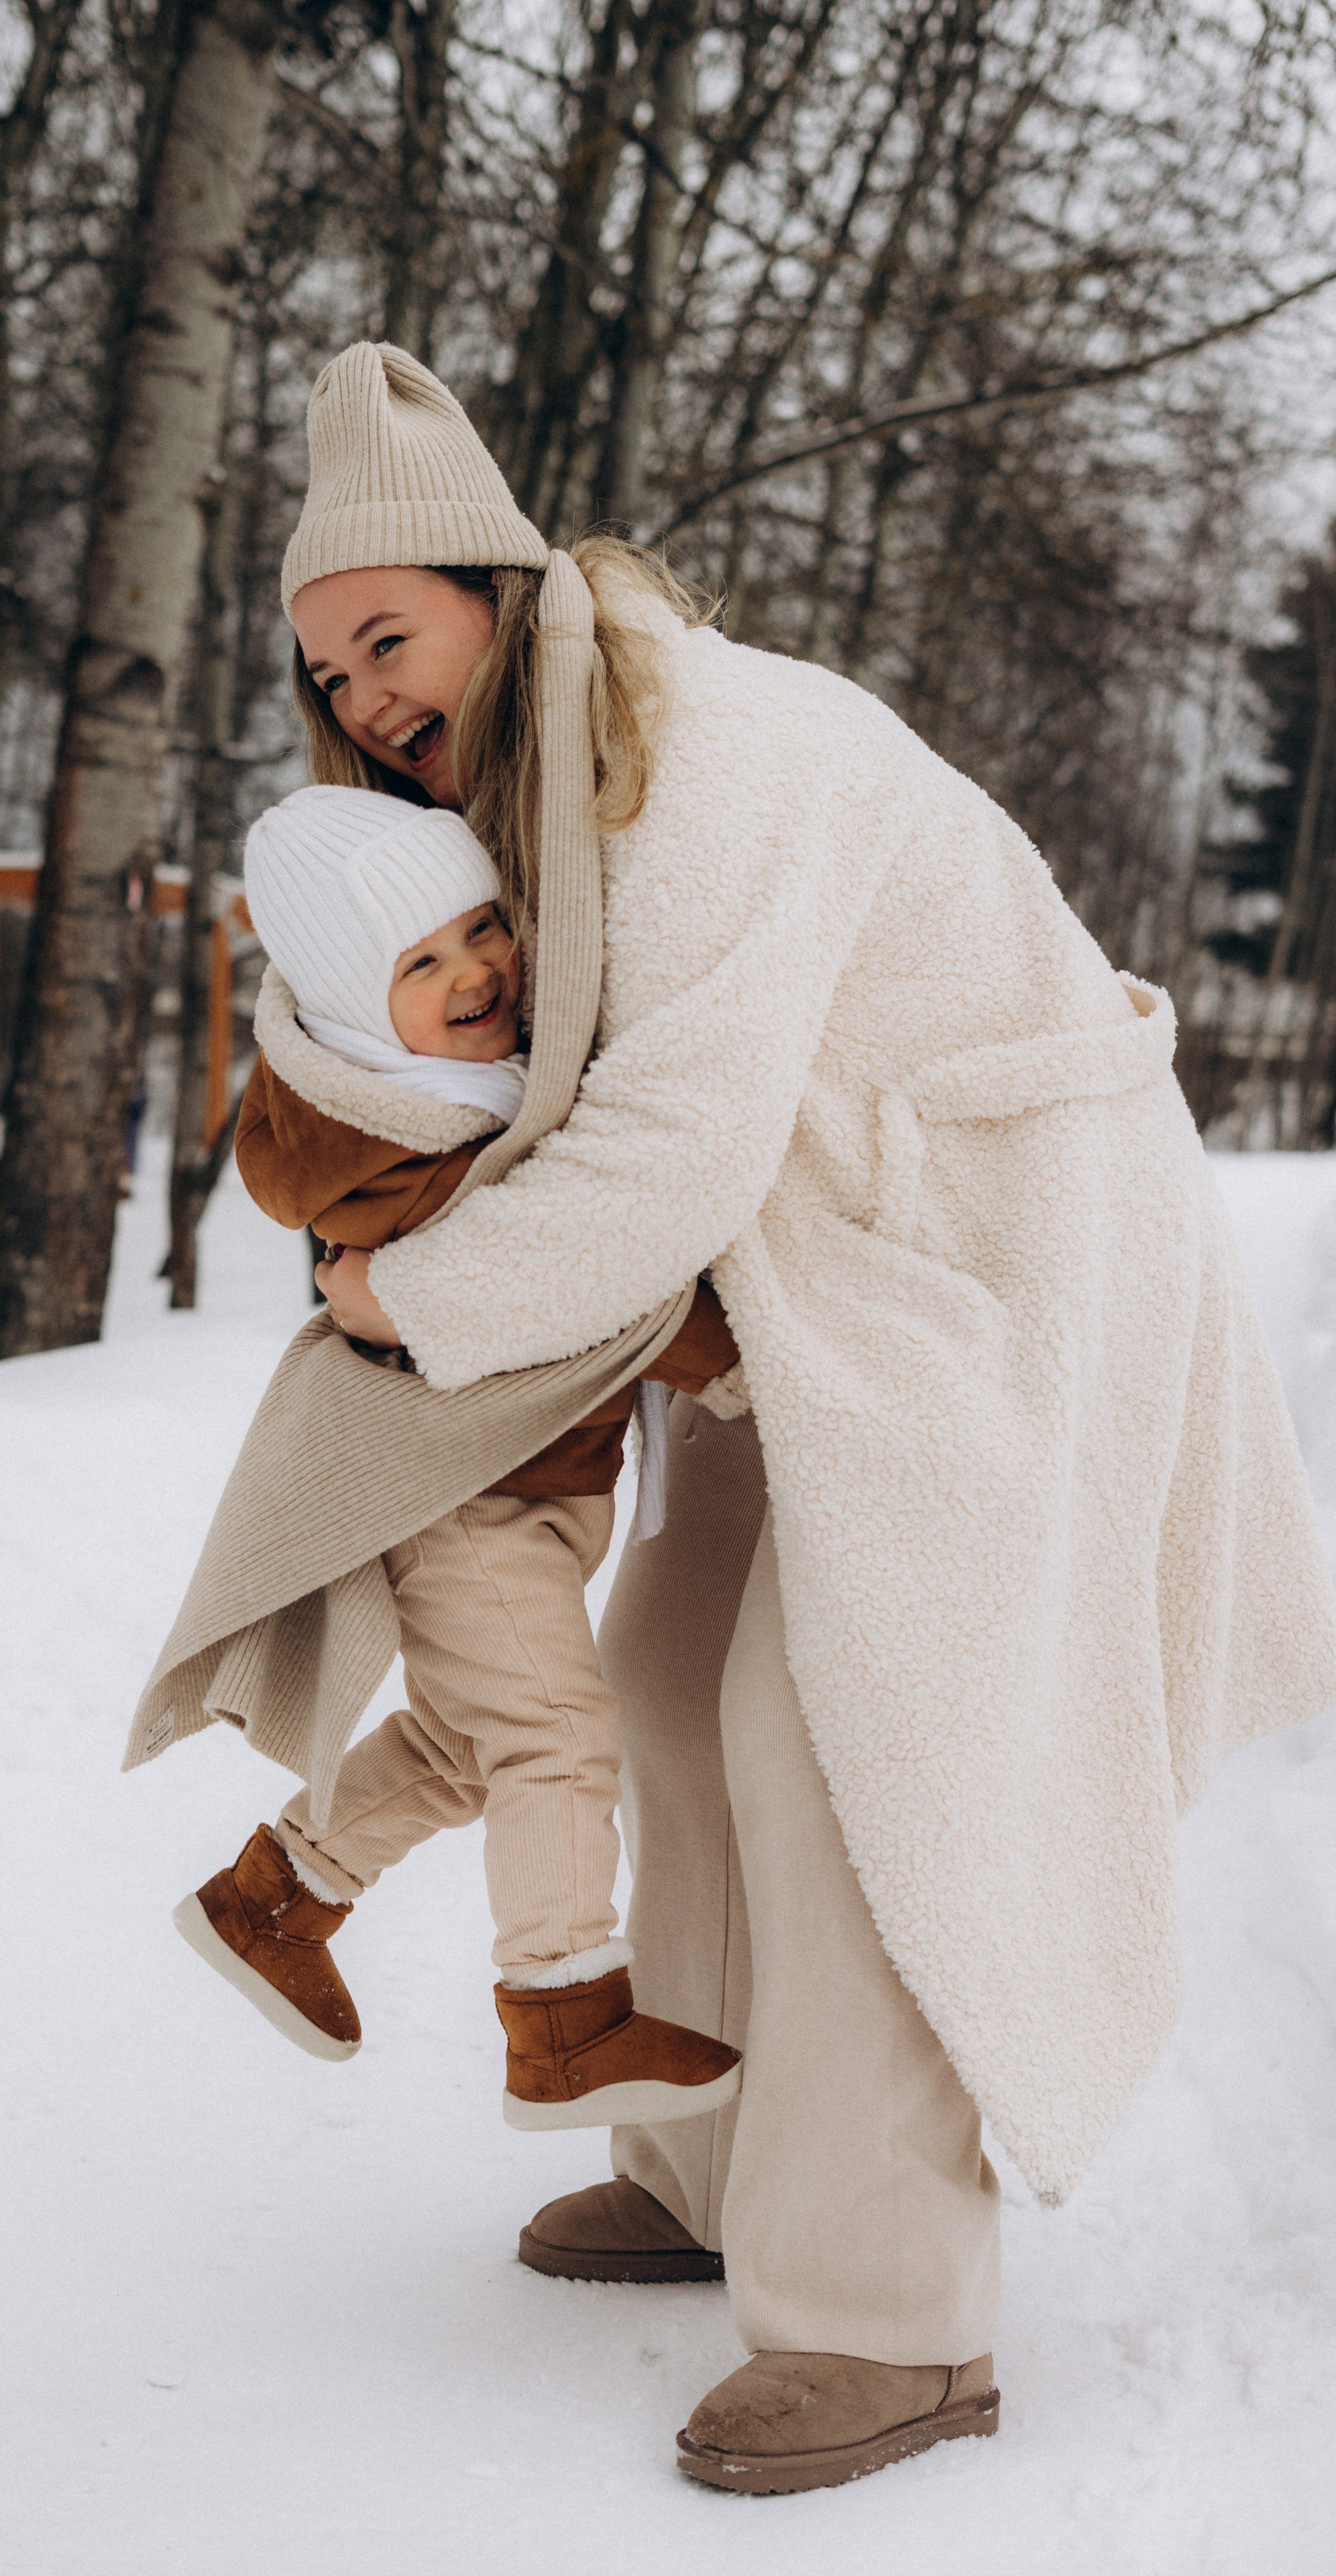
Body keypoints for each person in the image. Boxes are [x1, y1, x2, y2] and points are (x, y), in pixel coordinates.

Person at [247, 340, 1336, 2494]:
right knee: (663, 1658)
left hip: (986, 1258)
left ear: (499, 584)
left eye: (388, 636)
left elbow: (661, 1145)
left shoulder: (698, 748)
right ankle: (711, 2161)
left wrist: (413, 1296)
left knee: (842, 1726)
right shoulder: (531, 796)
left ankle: (886, 2321)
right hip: (802, 1282)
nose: (368, 699)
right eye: (330, 673)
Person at [179, 780, 743, 2134]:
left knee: (459, 1741)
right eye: (419, 964)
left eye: (482, 929)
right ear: (356, 1012)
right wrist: (721, 1353)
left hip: (531, 1489)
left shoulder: (468, 1088)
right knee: (551, 1736)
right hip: (468, 1502)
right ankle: (561, 2018)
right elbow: (571, 1272)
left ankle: (273, 1904)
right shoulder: (410, 1138)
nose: (475, 972)